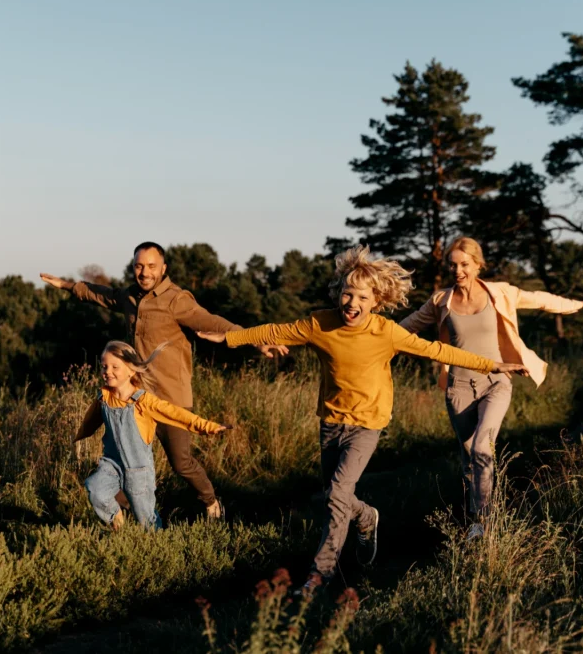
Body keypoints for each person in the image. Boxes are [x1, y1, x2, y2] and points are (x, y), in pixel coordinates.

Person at [197, 245, 527, 590]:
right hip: (331, 422)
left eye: (362, 298)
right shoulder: (319, 324)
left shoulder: (386, 332)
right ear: (339, 293)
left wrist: (493, 364)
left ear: (375, 302)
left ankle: (319, 575)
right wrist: (228, 338)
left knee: (338, 493)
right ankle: (367, 517)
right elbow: (274, 331)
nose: (352, 303)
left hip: (368, 425)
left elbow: (437, 350)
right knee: (332, 495)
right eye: (347, 293)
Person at [41, 242, 285, 520]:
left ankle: (210, 502)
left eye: (151, 266)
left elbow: (213, 322)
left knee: (181, 462)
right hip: (136, 399)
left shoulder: (176, 300)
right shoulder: (130, 296)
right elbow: (102, 295)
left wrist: (255, 340)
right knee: (126, 460)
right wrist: (67, 285)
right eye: (139, 266)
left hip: (171, 395)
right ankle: (129, 510)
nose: (144, 272)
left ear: (163, 269)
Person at [399, 237, 583, 540]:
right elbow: (405, 328)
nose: (458, 270)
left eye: (465, 264)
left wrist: (575, 305)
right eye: (453, 265)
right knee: (468, 458)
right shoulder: (441, 301)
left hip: (497, 382)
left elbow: (538, 298)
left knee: (480, 447)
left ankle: (484, 521)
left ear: (478, 264)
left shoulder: (499, 292)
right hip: (459, 386)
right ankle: (474, 519)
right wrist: (371, 339)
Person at [75, 341, 231, 530]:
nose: (107, 371)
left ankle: (157, 546)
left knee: (146, 520)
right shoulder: (104, 398)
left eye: (115, 367)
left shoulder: (144, 401)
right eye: (104, 366)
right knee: (95, 488)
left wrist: (208, 426)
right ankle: (117, 522)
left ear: (131, 371)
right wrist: (79, 436)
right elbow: (91, 419)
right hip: (112, 464)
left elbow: (176, 414)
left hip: (138, 471)